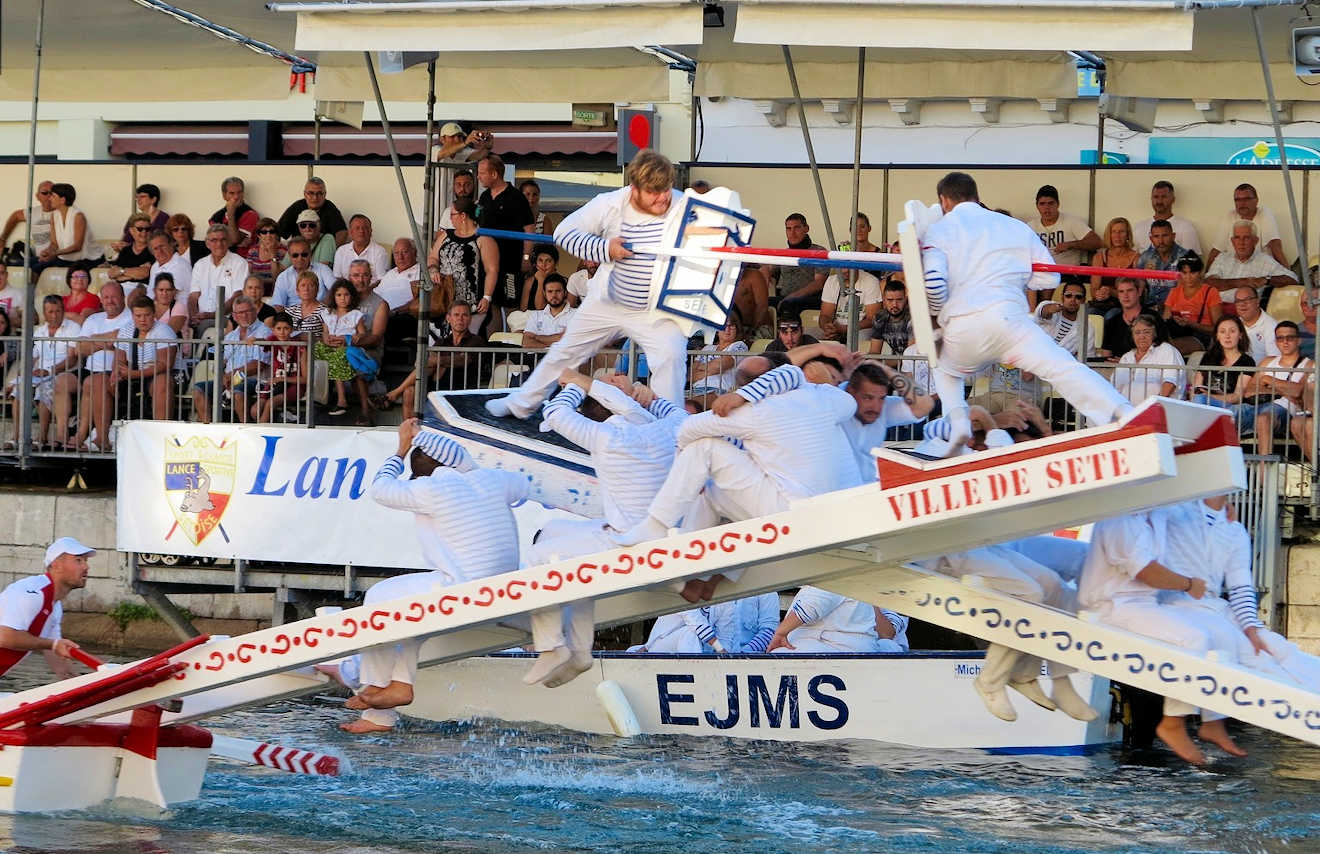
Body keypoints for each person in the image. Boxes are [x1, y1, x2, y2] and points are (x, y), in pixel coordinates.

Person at [920, 172, 1131, 454]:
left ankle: (957, 421)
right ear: (976, 196)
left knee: (946, 372)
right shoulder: (1016, 227)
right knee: (1063, 368)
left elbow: (933, 283)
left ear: (944, 201)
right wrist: (1016, 276)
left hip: (963, 329)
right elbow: (1049, 280)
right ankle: (1122, 413)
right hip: (1011, 324)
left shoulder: (938, 230)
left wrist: (935, 319)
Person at [342, 421, 527, 733]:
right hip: (503, 591)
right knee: (411, 619)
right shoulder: (495, 480)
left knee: (377, 598)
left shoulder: (429, 488)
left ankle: (374, 685)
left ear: (418, 476)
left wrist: (400, 450)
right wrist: (462, 460)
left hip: (465, 592)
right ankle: (384, 709)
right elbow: (521, 487)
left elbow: (379, 488)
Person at [484, 149, 689, 418]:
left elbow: (717, 233)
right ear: (635, 188)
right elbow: (564, 234)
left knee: (672, 356)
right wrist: (605, 249)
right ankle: (520, 404)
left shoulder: (682, 204)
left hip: (653, 307)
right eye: (654, 192)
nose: (664, 197)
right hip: (607, 301)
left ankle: (670, 424)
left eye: (667, 189)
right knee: (565, 351)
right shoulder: (610, 203)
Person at [1078, 508, 1222, 764]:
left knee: (1215, 637)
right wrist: (1188, 584)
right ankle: (1173, 722)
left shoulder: (1157, 513)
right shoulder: (1118, 518)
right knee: (1193, 639)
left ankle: (1212, 721)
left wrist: (1222, 507)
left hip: (1145, 604)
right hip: (1112, 607)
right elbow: (1145, 571)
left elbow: (1194, 504)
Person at [0, 536, 92, 680]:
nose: (86, 567)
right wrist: (53, 644)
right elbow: (5, 637)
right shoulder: (32, 593)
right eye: (78, 560)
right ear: (56, 565)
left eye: (86, 561)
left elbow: (60, 664)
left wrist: (83, 683)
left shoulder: (55, 608)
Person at [383, 301, 485, 419]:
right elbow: (430, 361)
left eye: (465, 315)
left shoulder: (476, 340)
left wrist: (439, 361)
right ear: (448, 318)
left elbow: (463, 360)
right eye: (456, 315)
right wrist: (437, 361)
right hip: (436, 384)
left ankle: (394, 393)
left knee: (433, 362)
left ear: (470, 319)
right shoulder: (441, 342)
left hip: (461, 386)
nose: (460, 319)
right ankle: (411, 430)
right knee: (409, 392)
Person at [840, 359, 933, 482]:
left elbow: (924, 405)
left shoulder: (883, 407)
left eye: (881, 398)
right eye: (868, 398)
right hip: (829, 495)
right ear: (850, 391)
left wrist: (887, 371)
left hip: (867, 491)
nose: (876, 407)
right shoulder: (833, 405)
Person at [70, 282, 134, 452]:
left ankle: (98, 437)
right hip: (89, 370)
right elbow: (79, 349)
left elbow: (119, 341)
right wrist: (107, 341)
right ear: (101, 300)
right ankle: (81, 432)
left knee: (95, 382)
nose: (110, 301)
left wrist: (94, 340)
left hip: (119, 372)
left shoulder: (132, 317)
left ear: (123, 298)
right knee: (64, 381)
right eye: (106, 297)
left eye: (114, 296)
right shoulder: (93, 319)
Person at [475, 153, 535, 332]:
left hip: (510, 261)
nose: (478, 177)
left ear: (494, 174)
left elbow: (529, 230)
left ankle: (513, 350)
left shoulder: (516, 197)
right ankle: (495, 351)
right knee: (490, 304)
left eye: (482, 173)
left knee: (511, 306)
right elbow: (476, 224)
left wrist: (525, 257)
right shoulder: (484, 197)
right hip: (487, 262)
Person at [191, 295, 272, 424]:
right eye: (240, 313)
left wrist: (231, 374)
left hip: (256, 380)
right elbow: (221, 362)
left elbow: (258, 365)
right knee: (198, 389)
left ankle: (244, 429)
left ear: (255, 311)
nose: (244, 316)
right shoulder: (232, 336)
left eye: (248, 311)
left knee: (238, 390)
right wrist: (223, 376)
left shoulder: (264, 333)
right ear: (234, 316)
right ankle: (208, 427)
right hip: (230, 379)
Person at [16, 296, 79, 450]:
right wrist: (24, 373)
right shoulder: (40, 330)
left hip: (63, 372)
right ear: (44, 313)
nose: (54, 315)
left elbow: (72, 359)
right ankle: (16, 437)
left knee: (42, 390)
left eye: (58, 311)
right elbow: (33, 356)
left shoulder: (73, 328)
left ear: (63, 311)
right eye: (50, 312)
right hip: (40, 373)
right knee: (18, 389)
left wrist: (50, 370)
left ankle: (42, 436)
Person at [428, 198, 497, 334]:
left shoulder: (483, 239)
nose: (450, 219)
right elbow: (433, 257)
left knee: (467, 339)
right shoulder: (445, 235)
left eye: (452, 215)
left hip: (470, 301)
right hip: (444, 298)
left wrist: (487, 297)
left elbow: (492, 270)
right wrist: (434, 269)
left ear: (463, 216)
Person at [1242, 321, 1311, 454]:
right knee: (1224, 417)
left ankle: (1263, 472)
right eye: (1280, 338)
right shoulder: (1267, 361)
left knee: (1264, 418)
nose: (1285, 342)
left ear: (1299, 340)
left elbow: (1299, 393)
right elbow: (1249, 391)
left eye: (1290, 338)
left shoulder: (1308, 365)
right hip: (1255, 406)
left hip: (1284, 412)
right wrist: (1284, 390)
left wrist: (1268, 380)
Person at [768, 587, 908, 653]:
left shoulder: (837, 577)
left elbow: (887, 633)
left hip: (836, 651)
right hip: (848, 653)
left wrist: (780, 632)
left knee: (889, 647)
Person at [112, 296, 177, 421]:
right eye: (138, 316)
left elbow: (165, 364)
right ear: (132, 315)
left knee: (162, 382)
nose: (142, 320)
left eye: (147, 315)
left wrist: (135, 374)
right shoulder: (126, 330)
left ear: (154, 314)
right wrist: (116, 371)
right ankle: (97, 435)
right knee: (96, 381)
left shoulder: (164, 331)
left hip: (155, 375)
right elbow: (119, 358)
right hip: (131, 375)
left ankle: (161, 430)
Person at [1023, 184, 1100, 287]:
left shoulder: (1072, 221)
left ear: (1058, 204)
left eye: (1051, 203)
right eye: (1042, 204)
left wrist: (1071, 245)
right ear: (1037, 206)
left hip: (1067, 275)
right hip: (1041, 273)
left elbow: (1096, 242)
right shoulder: (1030, 226)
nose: (1047, 208)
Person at [318, 280, 371, 424]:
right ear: (333, 297)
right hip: (330, 346)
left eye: (346, 295)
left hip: (346, 348)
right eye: (339, 295)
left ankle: (342, 400)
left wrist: (350, 338)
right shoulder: (327, 313)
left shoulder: (355, 314)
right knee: (315, 350)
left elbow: (362, 334)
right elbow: (324, 332)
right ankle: (315, 395)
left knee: (338, 356)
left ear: (352, 296)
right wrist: (327, 339)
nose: (342, 298)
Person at [1207, 183, 1288, 270]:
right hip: (1233, 270)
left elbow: (1275, 245)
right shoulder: (1230, 215)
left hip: (1260, 269)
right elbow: (1217, 250)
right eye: (1237, 200)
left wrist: (1288, 273)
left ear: (1256, 200)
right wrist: (1205, 275)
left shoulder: (1264, 213)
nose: (1242, 203)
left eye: (1247, 199)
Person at [1204, 220, 1297, 295]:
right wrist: (1241, 282)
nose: (1241, 242)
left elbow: (1293, 278)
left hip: (1245, 311)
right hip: (1216, 307)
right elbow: (1208, 282)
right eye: (1237, 237)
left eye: (1246, 238)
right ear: (1232, 241)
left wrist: (1266, 280)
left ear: (1255, 241)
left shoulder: (1265, 260)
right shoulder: (1222, 258)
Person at [1191, 315, 1254, 426]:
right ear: (1217, 336)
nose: (1227, 336)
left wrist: (1210, 397)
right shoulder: (1208, 357)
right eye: (1222, 332)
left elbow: (1237, 397)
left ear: (1240, 335)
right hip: (1204, 404)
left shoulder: (1247, 361)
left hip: (1229, 407)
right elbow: (1196, 388)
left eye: (1232, 331)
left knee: (1200, 400)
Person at [1111, 313, 1185, 405]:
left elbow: (1170, 383)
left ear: (1154, 334)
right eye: (1137, 333)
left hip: (1158, 411)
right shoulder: (1127, 357)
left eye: (1146, 332)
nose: (1142, 336)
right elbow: (1115, 388)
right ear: (1132, 336)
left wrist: (1152, 407)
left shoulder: (1166, 350)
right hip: (1127, 412)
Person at [189, 224, 249, 335]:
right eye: (214, 240)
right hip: (202, 317)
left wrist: (212, 315)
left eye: (223, 240)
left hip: (228, 317)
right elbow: (193, 296)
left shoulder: (239, 263)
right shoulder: (200, 264)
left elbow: (238, 296)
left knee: (204, 327)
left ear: (229, 242)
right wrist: (194, 316)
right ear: (207, 243)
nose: (219, 244)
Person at [1162, 253, 1222, 355]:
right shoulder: (1174, 292)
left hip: (1202, 336)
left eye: (1192, 272)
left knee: (1172, 348)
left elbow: (1219, 328)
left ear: (1200, 272)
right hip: (1176, 334)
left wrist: (1191, 324)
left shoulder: (1210, 292)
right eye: (1184, 273)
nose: (1188, 277)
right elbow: (1165, 321)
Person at [768, 213, 827, 317]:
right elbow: (768, 269)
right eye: (788, 229)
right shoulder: (784, 254)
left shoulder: (819, 251)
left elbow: (819, 283)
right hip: (783, 297)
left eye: (797, 228)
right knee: (760, 303)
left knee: (788, 305)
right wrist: (764, 274)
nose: (792, 233)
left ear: (806, 228)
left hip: (808, 299)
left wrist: (792, 297)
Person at [253, 312, 307, 424]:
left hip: (295, 385)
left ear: (292, 330)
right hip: (275, 384)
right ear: (273, 330)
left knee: (270, 403)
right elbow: (263, 342)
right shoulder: (273, 341)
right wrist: (253, 339)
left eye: (286, 328)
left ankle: (259, 433)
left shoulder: (300, 347)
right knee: (255, 410)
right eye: (279, 328)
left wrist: (282, 379)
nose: (282, 332)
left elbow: (304, 379)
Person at [36, 183, 99, 272]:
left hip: (85, 260)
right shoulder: (54, 215)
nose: (49, 199)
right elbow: (54, 243)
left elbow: (77, 247)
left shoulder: (78, 216)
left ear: (62, 200)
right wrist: (48, 252)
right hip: (64, 258)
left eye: (53, 196)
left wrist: (55, 253)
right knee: (35, 267)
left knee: (40, 268)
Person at [1100, 278, 1164, 361]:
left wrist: (1127, 361)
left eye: (1130, 290)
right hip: (1118, 370)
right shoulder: (1112, 322)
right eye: (1121, 291)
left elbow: (1163, 350)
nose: (1125, 295)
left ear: (1139, 292)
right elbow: (1106, 355)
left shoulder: (1153, 317)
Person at [1132, 180, 1202, 255]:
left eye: (1164, 197)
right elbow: (1132, 258)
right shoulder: (1139, 228)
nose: (1159, 201)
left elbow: (1193, 262)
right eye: (1156, 197)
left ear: (1173, 199)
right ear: (1151, 199)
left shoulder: (1186, 227)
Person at [688, 312, 749, 398]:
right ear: (717, 330)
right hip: (696, 390)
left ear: (737, 329)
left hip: (719, 391)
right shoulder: (707, 348)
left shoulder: (739, 346)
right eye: (723, 326)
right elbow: (691, 376)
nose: (727, 330)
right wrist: (712, 369)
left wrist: (701, 368)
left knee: (689, 405)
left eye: (731, 326)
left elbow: (720, 366)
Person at [277, 177, 348, 245]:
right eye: (311, 193)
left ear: (325, 194)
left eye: (319, 193)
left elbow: (342, 233)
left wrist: (331, 250)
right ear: (305, 194)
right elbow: (278, 230)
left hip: (322, 254)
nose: (315, 197)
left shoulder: (330, 208)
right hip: (299, 254)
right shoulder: (296, 207)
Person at [1035, 280, 1095, 358]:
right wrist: (1051, 309)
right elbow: (1044, 311)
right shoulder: (1049, 307)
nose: (1073, 300)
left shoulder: (1087, 326)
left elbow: (1088, 357)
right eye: (1068, 295)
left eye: (1078, 297)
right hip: (1034, 358)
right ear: (1062, 297)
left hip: (1061, 366)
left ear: (1083, 300)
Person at [818, 269, 882, 343]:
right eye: (842, 267)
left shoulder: (871, 281)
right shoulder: (831, 281)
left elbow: (872, 319)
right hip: (835, 328)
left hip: (859, 329)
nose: (845, 271)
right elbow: (825, 315)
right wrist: (827, 327)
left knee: (860, 337)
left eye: (849, 269)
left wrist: (846, 329)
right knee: (811, 334)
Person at [1135, 220, 1188, 306]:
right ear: (1151, 239)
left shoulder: (1185, 257)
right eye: (1156, 236)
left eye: (1165, 236)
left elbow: (1189, 291)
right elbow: (1139, 284)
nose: (1161, 241)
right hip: (1150, 308)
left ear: (1173, 236)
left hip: (1177, 308)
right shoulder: (1146, 257)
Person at [269, 238, 334, 309]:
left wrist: (319, 308)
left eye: (304, 254)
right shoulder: (283, 277)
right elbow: (278, 305)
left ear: (310, 254)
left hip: (321, 314)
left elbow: (337, 290)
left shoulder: (323, 269)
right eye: (295, 255)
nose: (300, 258)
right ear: (290, 256)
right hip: (292, 317)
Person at [0, 180, 54, 262]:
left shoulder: (61, 212)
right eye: (44, 193)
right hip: (38, 259)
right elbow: (16, 216)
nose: (49, 196)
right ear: (37, 196)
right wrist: (3, 239)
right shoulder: (33, 212)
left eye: (52, 193)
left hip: (55, 258)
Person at [521, 275, 575, 349]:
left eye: (558, 291)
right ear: (544, 293)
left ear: (565, 292)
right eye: (550, 291)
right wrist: (550, 347)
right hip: (536, 358)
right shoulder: (535, 315)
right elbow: (526, 342)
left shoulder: (576, 314)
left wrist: (536, 337)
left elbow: (567, 339)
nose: (554, 295)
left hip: (563, 359)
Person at [209, 176, 260, 253]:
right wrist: (230, 241)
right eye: (232, 193)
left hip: (242, 260)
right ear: (224, 195)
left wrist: (231, 214)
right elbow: (215, 243)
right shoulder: (216, 216)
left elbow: (234, 240)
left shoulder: (250, 214)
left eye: (239, 192)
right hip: (221, 259)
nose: (236, 197)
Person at [1090, 216, 1139, 296]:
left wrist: (1111, 292)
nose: (1117, 236)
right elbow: (1093, 291)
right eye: (1113, 232)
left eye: (1121, 231)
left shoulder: (1136, 258)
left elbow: (1137, 294)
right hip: (1102, 304)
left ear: (1128, 235)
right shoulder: (1099, 257)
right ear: (1109, 235)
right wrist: (1099, 295)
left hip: (1126, 305)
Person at [332, 215, 390, 281]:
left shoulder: (380, 252)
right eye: (357, 228)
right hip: (348, 290)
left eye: (365, 228)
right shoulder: (341, 251)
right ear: (350, 232)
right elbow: (337, 278)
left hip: (371, 290)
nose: (361, 231)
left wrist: (365, 290)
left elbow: (381, 280)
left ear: (370, 231)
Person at [374, 239, 422, 318]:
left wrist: (398, 311)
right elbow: (376, 294)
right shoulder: (391, 273)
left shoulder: (421, 272)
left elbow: (422, 300)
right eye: (396, 253)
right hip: (380, 315)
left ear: (415, 253)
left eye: (405, 252)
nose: (400, 257)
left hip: (402, 317)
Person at [1231, 286, 1279, 363]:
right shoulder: (1233, 324)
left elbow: (1273, 360)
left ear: (1257, 302)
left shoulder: (1272, 326)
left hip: (1262, 372)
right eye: (1238, 301)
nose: (1242, 304)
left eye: (1247, 299)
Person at [106, 214, 154, 289]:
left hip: (142, 290)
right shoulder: (125, 250)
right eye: (140, 229)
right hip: (121, 289)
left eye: (147, 229)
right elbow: (112, 273)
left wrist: (122, 272)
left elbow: (145, 273)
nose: (144, 232)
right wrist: (135, 273)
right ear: (131, 231)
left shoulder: (154, 249)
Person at [145, 228, 191, 305]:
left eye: (162, 246)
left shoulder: (180, 265)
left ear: (171, 245)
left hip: (176, 309)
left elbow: (167, 297)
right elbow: (150, 293)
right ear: (152, 252)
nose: (160, 251)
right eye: (155, 249)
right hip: (157, 308)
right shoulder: (155, 266)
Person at [868, 279, 913, 356]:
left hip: (915, 364)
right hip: (894, 362)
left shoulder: (913, 319)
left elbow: (911, 357)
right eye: (890, 300)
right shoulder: (880, 317)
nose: (894, 304)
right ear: (884, 300)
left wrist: (880, 363)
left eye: (899, 300)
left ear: (905, 299)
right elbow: (874, 353)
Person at [244, 217, 288, 287]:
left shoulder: (284, 251)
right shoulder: (253, 251)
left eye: (272, 232)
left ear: (276, 234)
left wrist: (273, 255)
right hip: (256, 290)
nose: (268, 235)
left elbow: (277, 279)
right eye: (264, 232)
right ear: (259, 235)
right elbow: (248, 275)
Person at [435, 168, 476, 232]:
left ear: (473, 186)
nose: (462, 189)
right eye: (458, 185)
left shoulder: (481, 210)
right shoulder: (448, 212)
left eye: (467, 184)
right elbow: (439, 238)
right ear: (453, 187)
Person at [522, 244, 560, 311]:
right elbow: (523, 308)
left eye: (548, 261)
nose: (544, 265)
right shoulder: (530, 281)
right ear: (536, 263)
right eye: (540, 260)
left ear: (555, 263)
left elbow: (540, 307)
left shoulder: (562, 282)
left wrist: (541, 280)